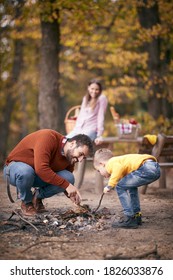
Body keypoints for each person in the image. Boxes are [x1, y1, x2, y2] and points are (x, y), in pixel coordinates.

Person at [3, 129, 93, 216]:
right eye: (81, 154)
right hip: (14, 170)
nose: (80, 160)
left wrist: (70, 194)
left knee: (69, 178)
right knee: (26, 171)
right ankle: (27, 202)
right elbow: (41, 169)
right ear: (72, 144)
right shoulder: (48, 137)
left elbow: (65, 182)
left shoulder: (70, 158)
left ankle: (37, 197)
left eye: (84, 157)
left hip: (36, 175)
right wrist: (67, 186)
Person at [93, 148, 161, 228]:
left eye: (98, 170)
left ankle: (129, 217)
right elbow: (121, 171)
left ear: (102, 164)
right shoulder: (121, 162)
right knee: (131, 188)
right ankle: (136, 216)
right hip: (153, 167)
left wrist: (109, 185)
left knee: (119, 186)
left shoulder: (111, 162)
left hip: (146, 168)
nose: (100, 173)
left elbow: (118, 168)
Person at [67, 79, 108, 145]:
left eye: (97, 89)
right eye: (92, 88)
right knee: (65, 141)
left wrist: (99, 135)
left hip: (91, 130)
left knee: (78, 144)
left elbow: (101, 116)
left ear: (100, 90)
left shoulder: (102, 98)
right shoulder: (85, 99)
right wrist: (75, 130)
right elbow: (81, 115)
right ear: (88, 88)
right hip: (78, 130)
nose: (94, 91)